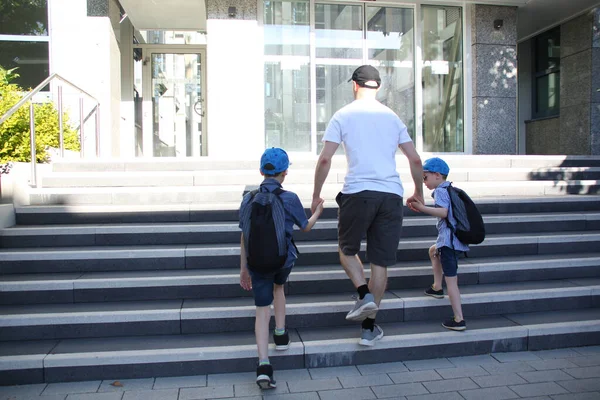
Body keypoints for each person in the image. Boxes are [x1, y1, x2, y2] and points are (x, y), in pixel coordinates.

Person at [312, 65, 424, 346]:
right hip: (390, 196)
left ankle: (363, 295)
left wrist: (316, 194)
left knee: (346, 251)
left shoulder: (343, 115)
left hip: (358, 193)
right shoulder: (392, 117)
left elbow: (325, 159)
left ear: (354, 85)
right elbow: (415, 160)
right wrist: (418, 193)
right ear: (379, 87)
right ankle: (368, 329)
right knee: (380, 262)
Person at [239, 147, 324, 389]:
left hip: (256, 263)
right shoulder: (289, 198)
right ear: (285, 172)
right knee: (280, 288)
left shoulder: (248, 197)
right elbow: (305, 227)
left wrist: (243, 268)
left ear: (261, 171)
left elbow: (245, 235)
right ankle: (281, 334)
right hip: (283, 260)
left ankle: (264, 364)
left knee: (261, 309)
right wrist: (318, 211)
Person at [408, 157, 468, 331]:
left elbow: (443, 212)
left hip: (449, 244)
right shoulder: (450, 189)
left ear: (437, 175)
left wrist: (422, 208)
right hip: (450, 241)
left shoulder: (441, 191)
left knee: (452, 281)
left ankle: (459, 319)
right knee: (433, 251)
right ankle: (436, 287)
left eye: (424, 178)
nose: (423, 182)